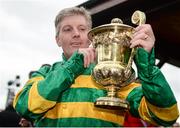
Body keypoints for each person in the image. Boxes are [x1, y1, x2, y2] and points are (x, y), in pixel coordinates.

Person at [13, 6, 179, 127]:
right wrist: (72, 67)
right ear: (58, 39)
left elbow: (166, 115)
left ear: (91, 36)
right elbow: (24, 107)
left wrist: (147, 67)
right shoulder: (45, 73)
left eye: (82, 28)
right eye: (67, 29)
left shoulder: (112, 76)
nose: (76, 33)